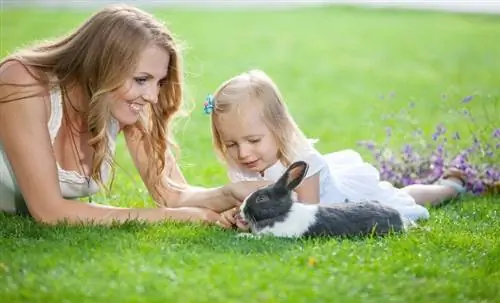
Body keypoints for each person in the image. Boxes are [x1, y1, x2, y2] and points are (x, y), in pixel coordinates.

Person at [0, 5, 268, 226]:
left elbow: (171, 193)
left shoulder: (125, 102)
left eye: (159, 82)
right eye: (142, 79)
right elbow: (48, 211)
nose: (152, 96)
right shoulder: (21, 81)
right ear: (101, 66)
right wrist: (168, 218)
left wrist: (227, 194)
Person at [207, 69, 468, 229]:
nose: (243, 153)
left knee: (402, 198)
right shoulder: (246, 164)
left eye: (253, 140)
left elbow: (305, 216)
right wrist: (236, 215)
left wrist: (254, 225)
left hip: (347, 203)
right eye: (231, 144)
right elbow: (253, 206)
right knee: (400, 193)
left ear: (279, 128)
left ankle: (450, 186)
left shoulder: (303, 164)